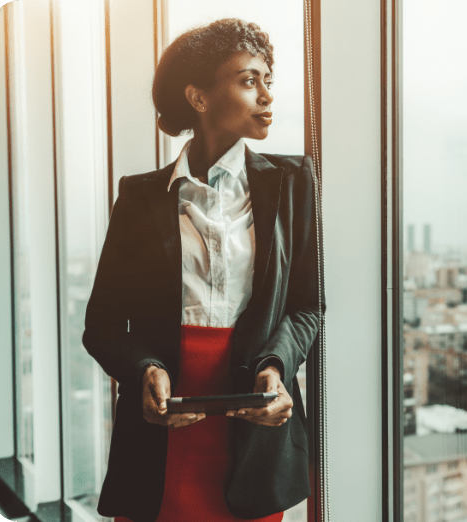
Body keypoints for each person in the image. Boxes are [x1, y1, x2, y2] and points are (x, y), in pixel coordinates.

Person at [82, 18, 324, 522]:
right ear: (199, 97)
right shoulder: (140, 197)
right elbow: (101, 325)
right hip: (160, 431)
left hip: (254, 430)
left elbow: (306, 307)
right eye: (248, 80)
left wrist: (276, 368)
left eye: (268, 80)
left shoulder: (294, 183)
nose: (266, 95)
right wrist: (145, 369)